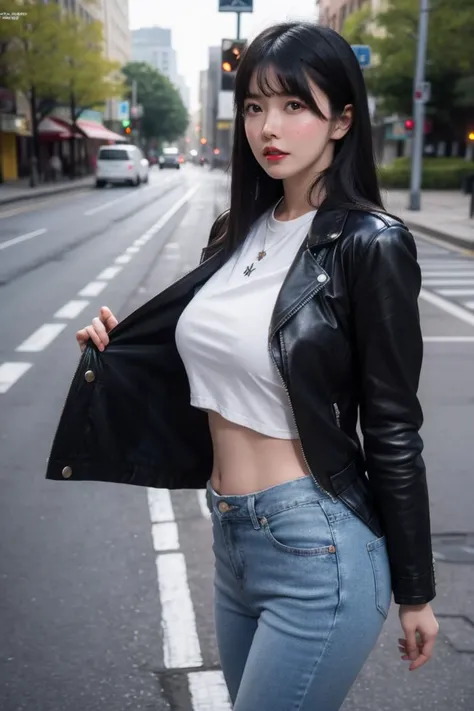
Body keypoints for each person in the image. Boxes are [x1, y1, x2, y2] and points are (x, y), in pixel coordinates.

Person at [48, 22, 439, 711]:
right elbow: (211, 368)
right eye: (255, 106)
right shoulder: (238, 232)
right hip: (233, 538)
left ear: (342, 120)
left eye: (295, 106)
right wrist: (121, 356)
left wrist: (417, 590)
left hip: (317, 547)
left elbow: (394, 425)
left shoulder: (371, 244)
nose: (268, 126)